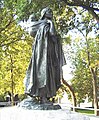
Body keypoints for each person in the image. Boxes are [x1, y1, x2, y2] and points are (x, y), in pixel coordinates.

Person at [24, 7, 65, 104]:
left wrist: (51, 23)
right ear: (44, 13)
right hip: (40, 52)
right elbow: (31, 31)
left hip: (50, 52)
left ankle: (45, 97)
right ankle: (36, 94)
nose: (51, 12)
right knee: (40, 72)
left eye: (51, 11)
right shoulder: (41, 24)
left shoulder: (49, 23)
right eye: (49, 11)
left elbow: (53, 34)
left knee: (49, 72)